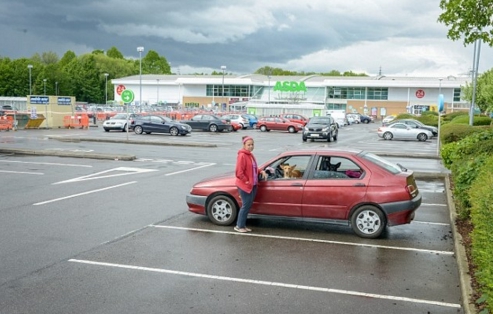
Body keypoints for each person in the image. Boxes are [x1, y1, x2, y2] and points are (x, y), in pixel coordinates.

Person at [234, 136, 265, 233]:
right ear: (244, 145)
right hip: (245, 186)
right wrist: (246, 181)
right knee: (245, 205)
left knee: (248, 205)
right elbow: (239, 172)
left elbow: (253, 168)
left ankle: (243, 225)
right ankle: (239, 226)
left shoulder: (250, 155)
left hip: (253, 185)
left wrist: (260, 171)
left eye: (252, 144)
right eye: (249, 145)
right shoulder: (242, 155)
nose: (251, 146)